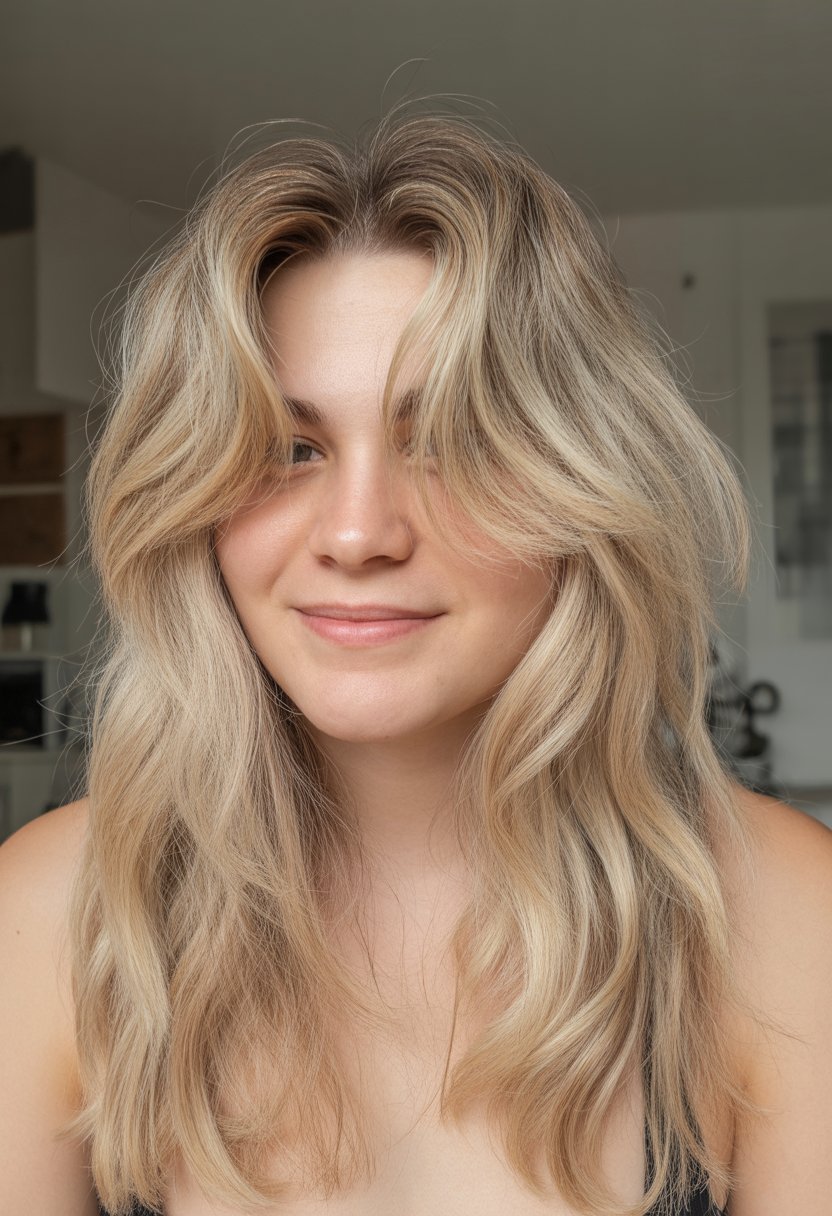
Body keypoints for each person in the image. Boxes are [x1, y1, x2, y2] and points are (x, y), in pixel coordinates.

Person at [1, 106, 831, 1216]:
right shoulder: (51, 914)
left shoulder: (781, 917)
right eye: (286, 450)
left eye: (450, 438)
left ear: (577, 488)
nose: (356, 532)